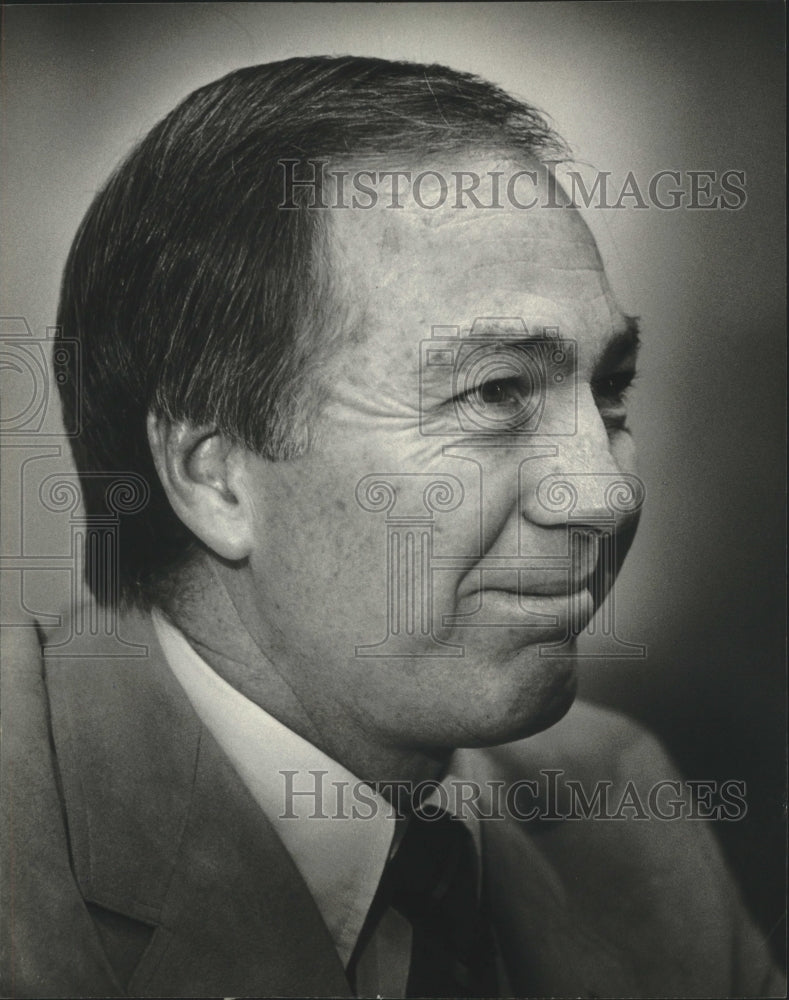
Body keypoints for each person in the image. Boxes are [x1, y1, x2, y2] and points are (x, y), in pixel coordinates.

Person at [0, 55, 783, 999]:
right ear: (214, 476)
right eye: (496, 393)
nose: (604, 495)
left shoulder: (615, 803)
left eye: (609, 392)